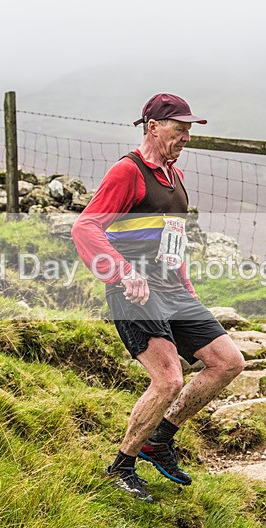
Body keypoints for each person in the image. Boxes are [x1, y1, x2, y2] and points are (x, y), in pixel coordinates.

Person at [70, 93, 245, 504]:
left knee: (228, 362)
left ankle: (159, 437)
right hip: (135, 292)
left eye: (189, 130)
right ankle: (121, 467)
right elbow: (85, 228)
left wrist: (187, 288)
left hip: (173, 292)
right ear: (153, 127)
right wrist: (122, 270)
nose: (186, 137)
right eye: (179, 128)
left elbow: (173, 243)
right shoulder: (127, 172)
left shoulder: (175, 179)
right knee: (168, 380)